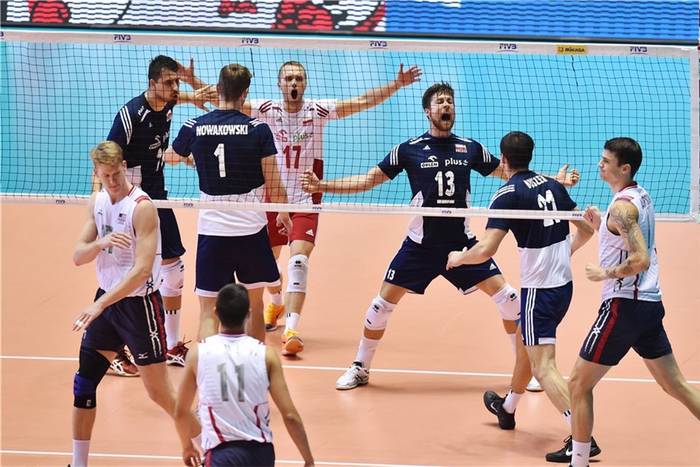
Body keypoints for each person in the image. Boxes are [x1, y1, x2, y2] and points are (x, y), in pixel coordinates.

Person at [302, 82, 577, 390]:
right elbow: (369, 180)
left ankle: (527, 370)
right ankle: (360, 367)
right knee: (379, 308)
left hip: (462, 246)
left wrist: (554, 181)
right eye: (440, 102)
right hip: (420, 247)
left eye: (450, 101)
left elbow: (510, 173)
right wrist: (323, 186)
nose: (447, 106)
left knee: (511, 301)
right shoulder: (408, 149)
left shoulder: (469, 148)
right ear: (427, 111)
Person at [241, 61, 422, 356]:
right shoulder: (266, 110)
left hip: (306, 198)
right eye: (288, 78)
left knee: (298, 262)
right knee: (266, 265)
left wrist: (397, 84)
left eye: (299, 78)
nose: (294, 82)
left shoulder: (318, 111)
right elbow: (226, 100)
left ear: (305, 83)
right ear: (279, 83)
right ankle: (276, 302)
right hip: (272, 198)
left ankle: (291, 330)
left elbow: (361, 102)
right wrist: (191, 85)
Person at [446, 131, 599, 462]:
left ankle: (582, 437)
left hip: (538, 293)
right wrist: (564, 254)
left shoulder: (507, 195)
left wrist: (458, 258)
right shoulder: (553, 185)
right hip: (563, 286)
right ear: (530, 155)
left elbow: (485, 250)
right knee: (524, 347)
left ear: (503, 160)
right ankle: (508, 407)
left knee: (544, 367)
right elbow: (587, 229)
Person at [565, 137, 700, 467]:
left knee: (578, 384)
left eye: (606, 161)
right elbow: (629, 242)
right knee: (675, 385)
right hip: (647, 305)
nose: (600, 165)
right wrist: (601, 228)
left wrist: (605, 273)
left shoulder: (622, 208)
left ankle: (578, 460)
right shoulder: (639, 195)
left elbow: (639, 259)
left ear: (624, 168)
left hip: (624, 306)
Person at [70, 141, 199, 467]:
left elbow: (142, 271)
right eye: (106, 176)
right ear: (97, 173)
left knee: (161, 395)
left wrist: (99, 305)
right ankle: (78, 463)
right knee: (84, 384)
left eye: (116, 174)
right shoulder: (98, 202)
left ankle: (211, 447)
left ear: (124, 167)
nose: (113, 181)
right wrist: (100, 242)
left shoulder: (142, 207)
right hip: (106, 304)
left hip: (139, 308)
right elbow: (78, 256)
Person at [105, 55, 217, 374]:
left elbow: (194, 96)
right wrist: (102, 209)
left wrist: (192, 85)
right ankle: (112, 349)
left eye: (176, 81)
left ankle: (170, 345)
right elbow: (106, 159)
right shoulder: (130, 116)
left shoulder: (168, 102)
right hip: (129, 200)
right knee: (126, 274)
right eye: (169, 82)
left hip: (156, 194)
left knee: (173, 267)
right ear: (152, 83)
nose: (175, 87)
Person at [165, 63, 291, 342]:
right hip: (251, 230)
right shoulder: (259, 130)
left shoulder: (194, 127)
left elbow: (170, 157)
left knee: (208, 311)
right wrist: (283, 213)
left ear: (218, 89)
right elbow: (273, 183)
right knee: (255, 306)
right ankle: (253, 363)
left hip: (212, 232)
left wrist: (190, 157)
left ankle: (208, 366)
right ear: (245, 93)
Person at [174, 283, 315, 467]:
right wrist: (308, 459)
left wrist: (187, 447)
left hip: (221, 455)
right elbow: (289, 415)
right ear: (248, 314)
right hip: (260, 454)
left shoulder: (198, 353)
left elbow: (180, 411)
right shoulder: (266, 355)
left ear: (216, 313)